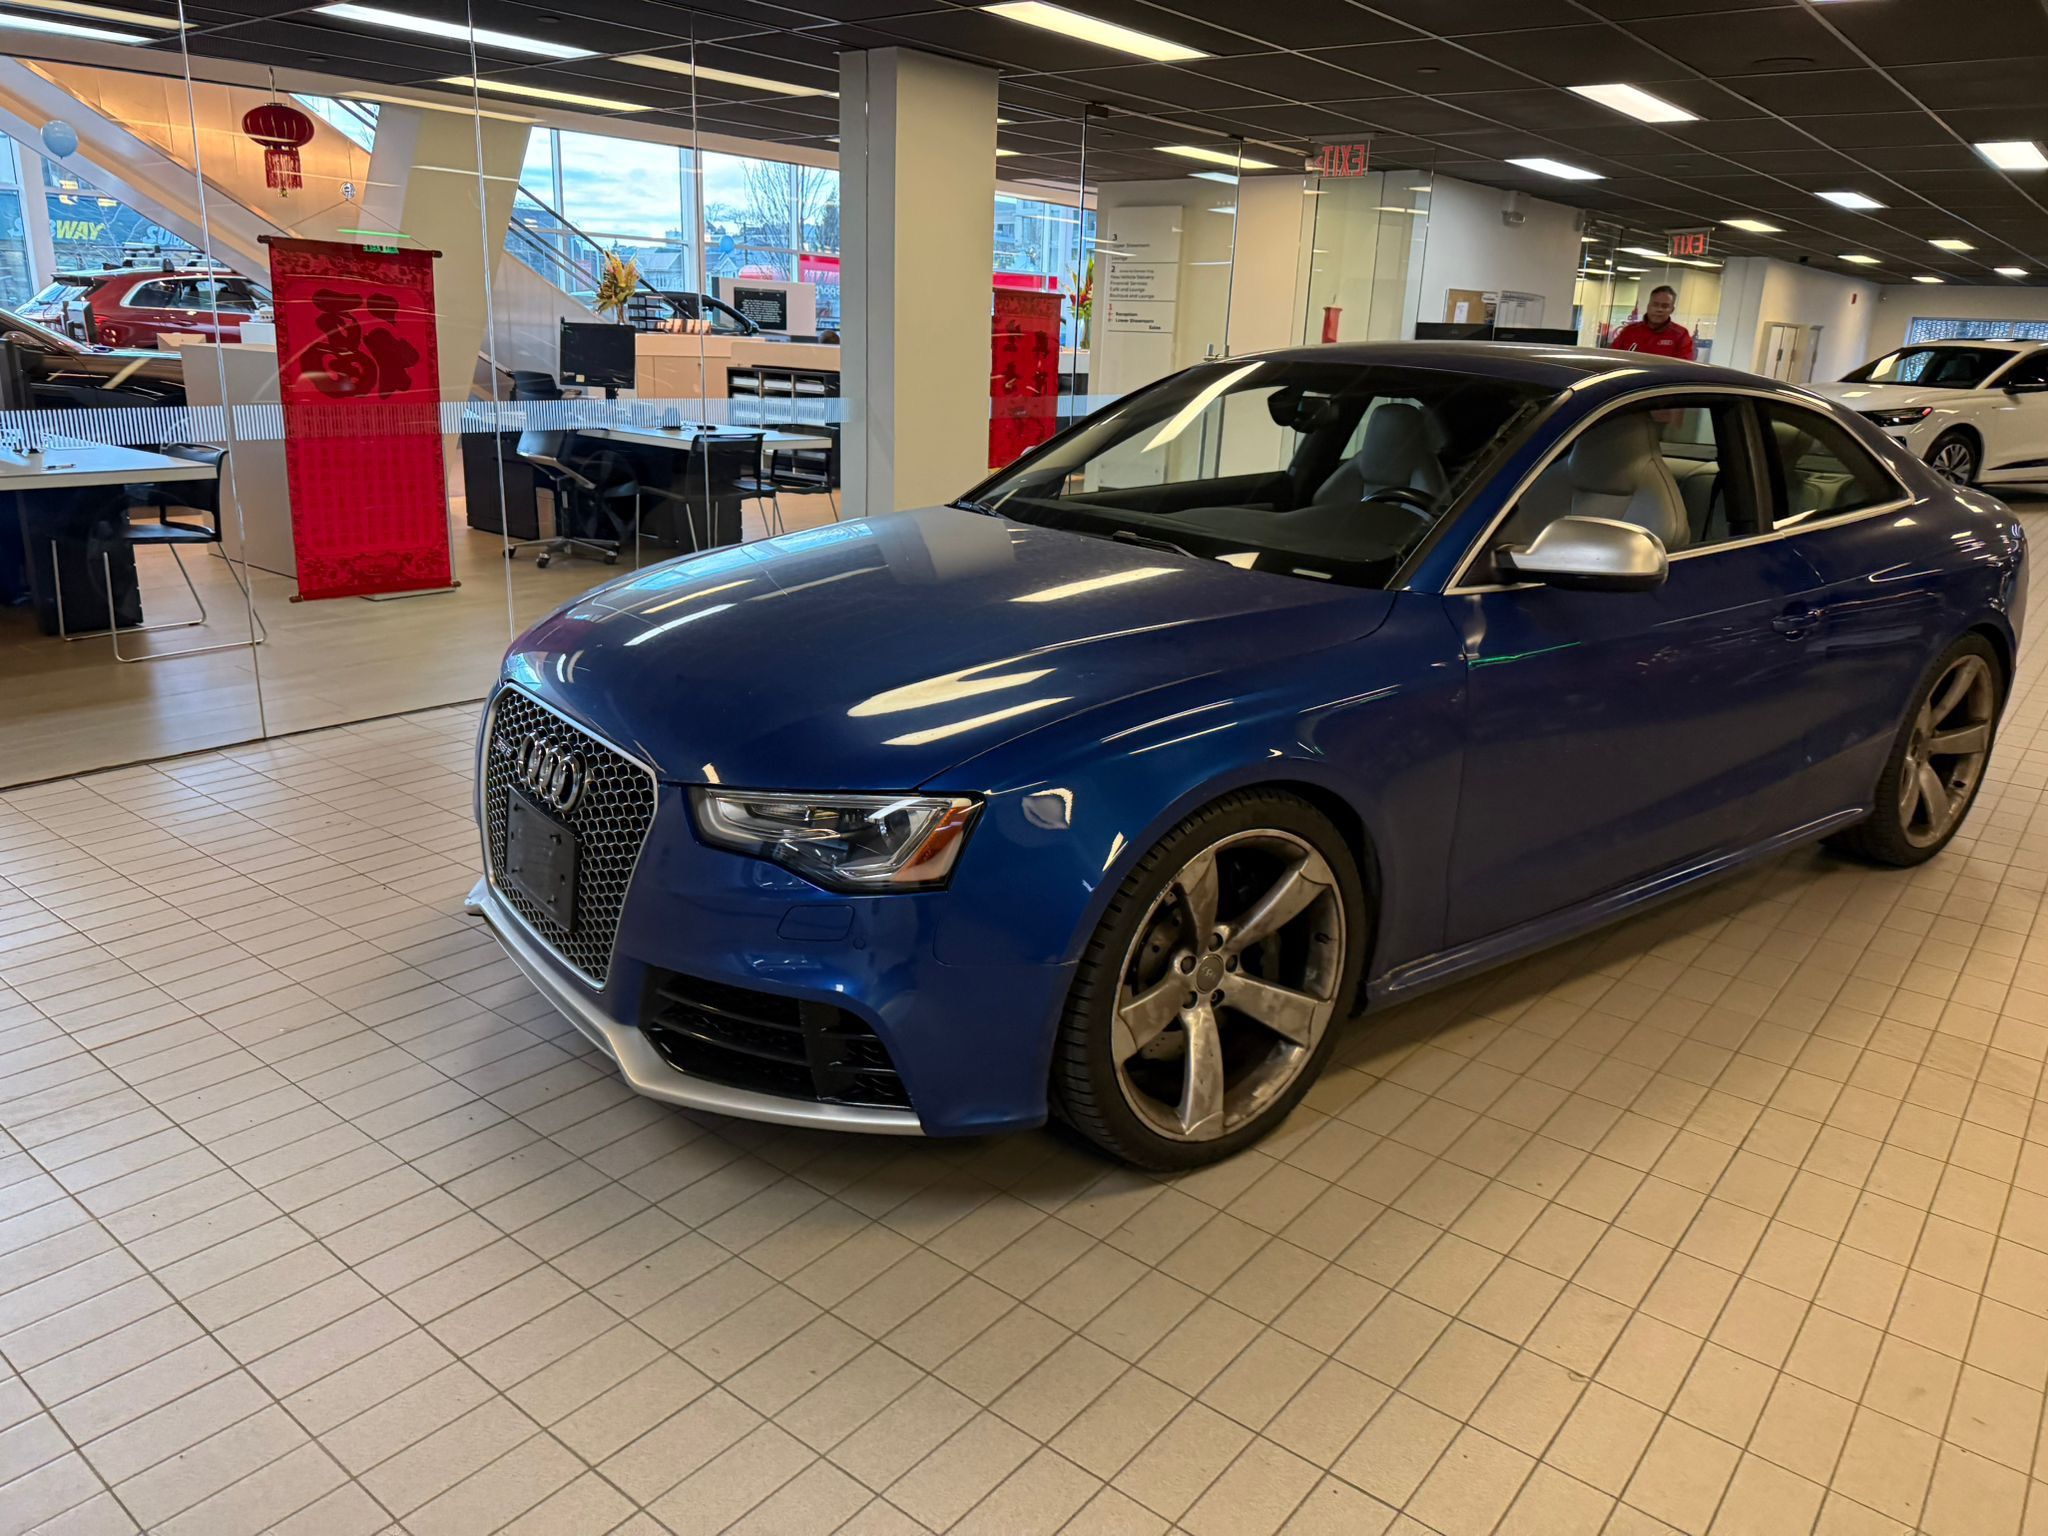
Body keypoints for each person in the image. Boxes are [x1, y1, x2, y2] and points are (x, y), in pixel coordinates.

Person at [1610, 285, 1696, 361]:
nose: (1659, 309)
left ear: (1672, 310)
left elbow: (1684, 367)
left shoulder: (1681, 335)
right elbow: (1613, 359)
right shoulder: (1629, 331)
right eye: (1655, 304)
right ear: (1648, 306)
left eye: (1665, 306)